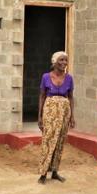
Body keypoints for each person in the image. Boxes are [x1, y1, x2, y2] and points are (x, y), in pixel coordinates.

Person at [37, 50, 75, 184]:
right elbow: (42, 96)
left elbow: (70, 97)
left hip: (64, 111)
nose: (64, 63)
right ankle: (42, 173)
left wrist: (72, 117)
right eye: (61, 60)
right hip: (50, 110)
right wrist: (40, 116)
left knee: (59, 142)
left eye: (65, 60)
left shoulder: (69, 78)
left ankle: (54, 172)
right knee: (48, 140)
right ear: (54, 62)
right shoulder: (46, 77)